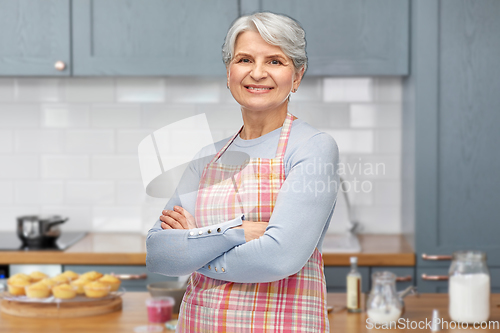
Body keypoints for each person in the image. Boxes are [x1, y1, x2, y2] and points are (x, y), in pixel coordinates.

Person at [146, 12, 339, 332]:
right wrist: (241, 232)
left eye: (275, 61)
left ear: (297, 76)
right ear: (229, 72)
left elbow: (278, 258)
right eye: (245, 59)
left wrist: (194, 246)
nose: (258, 73)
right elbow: (159, 255)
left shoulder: (312, 147)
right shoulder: (206, 158)